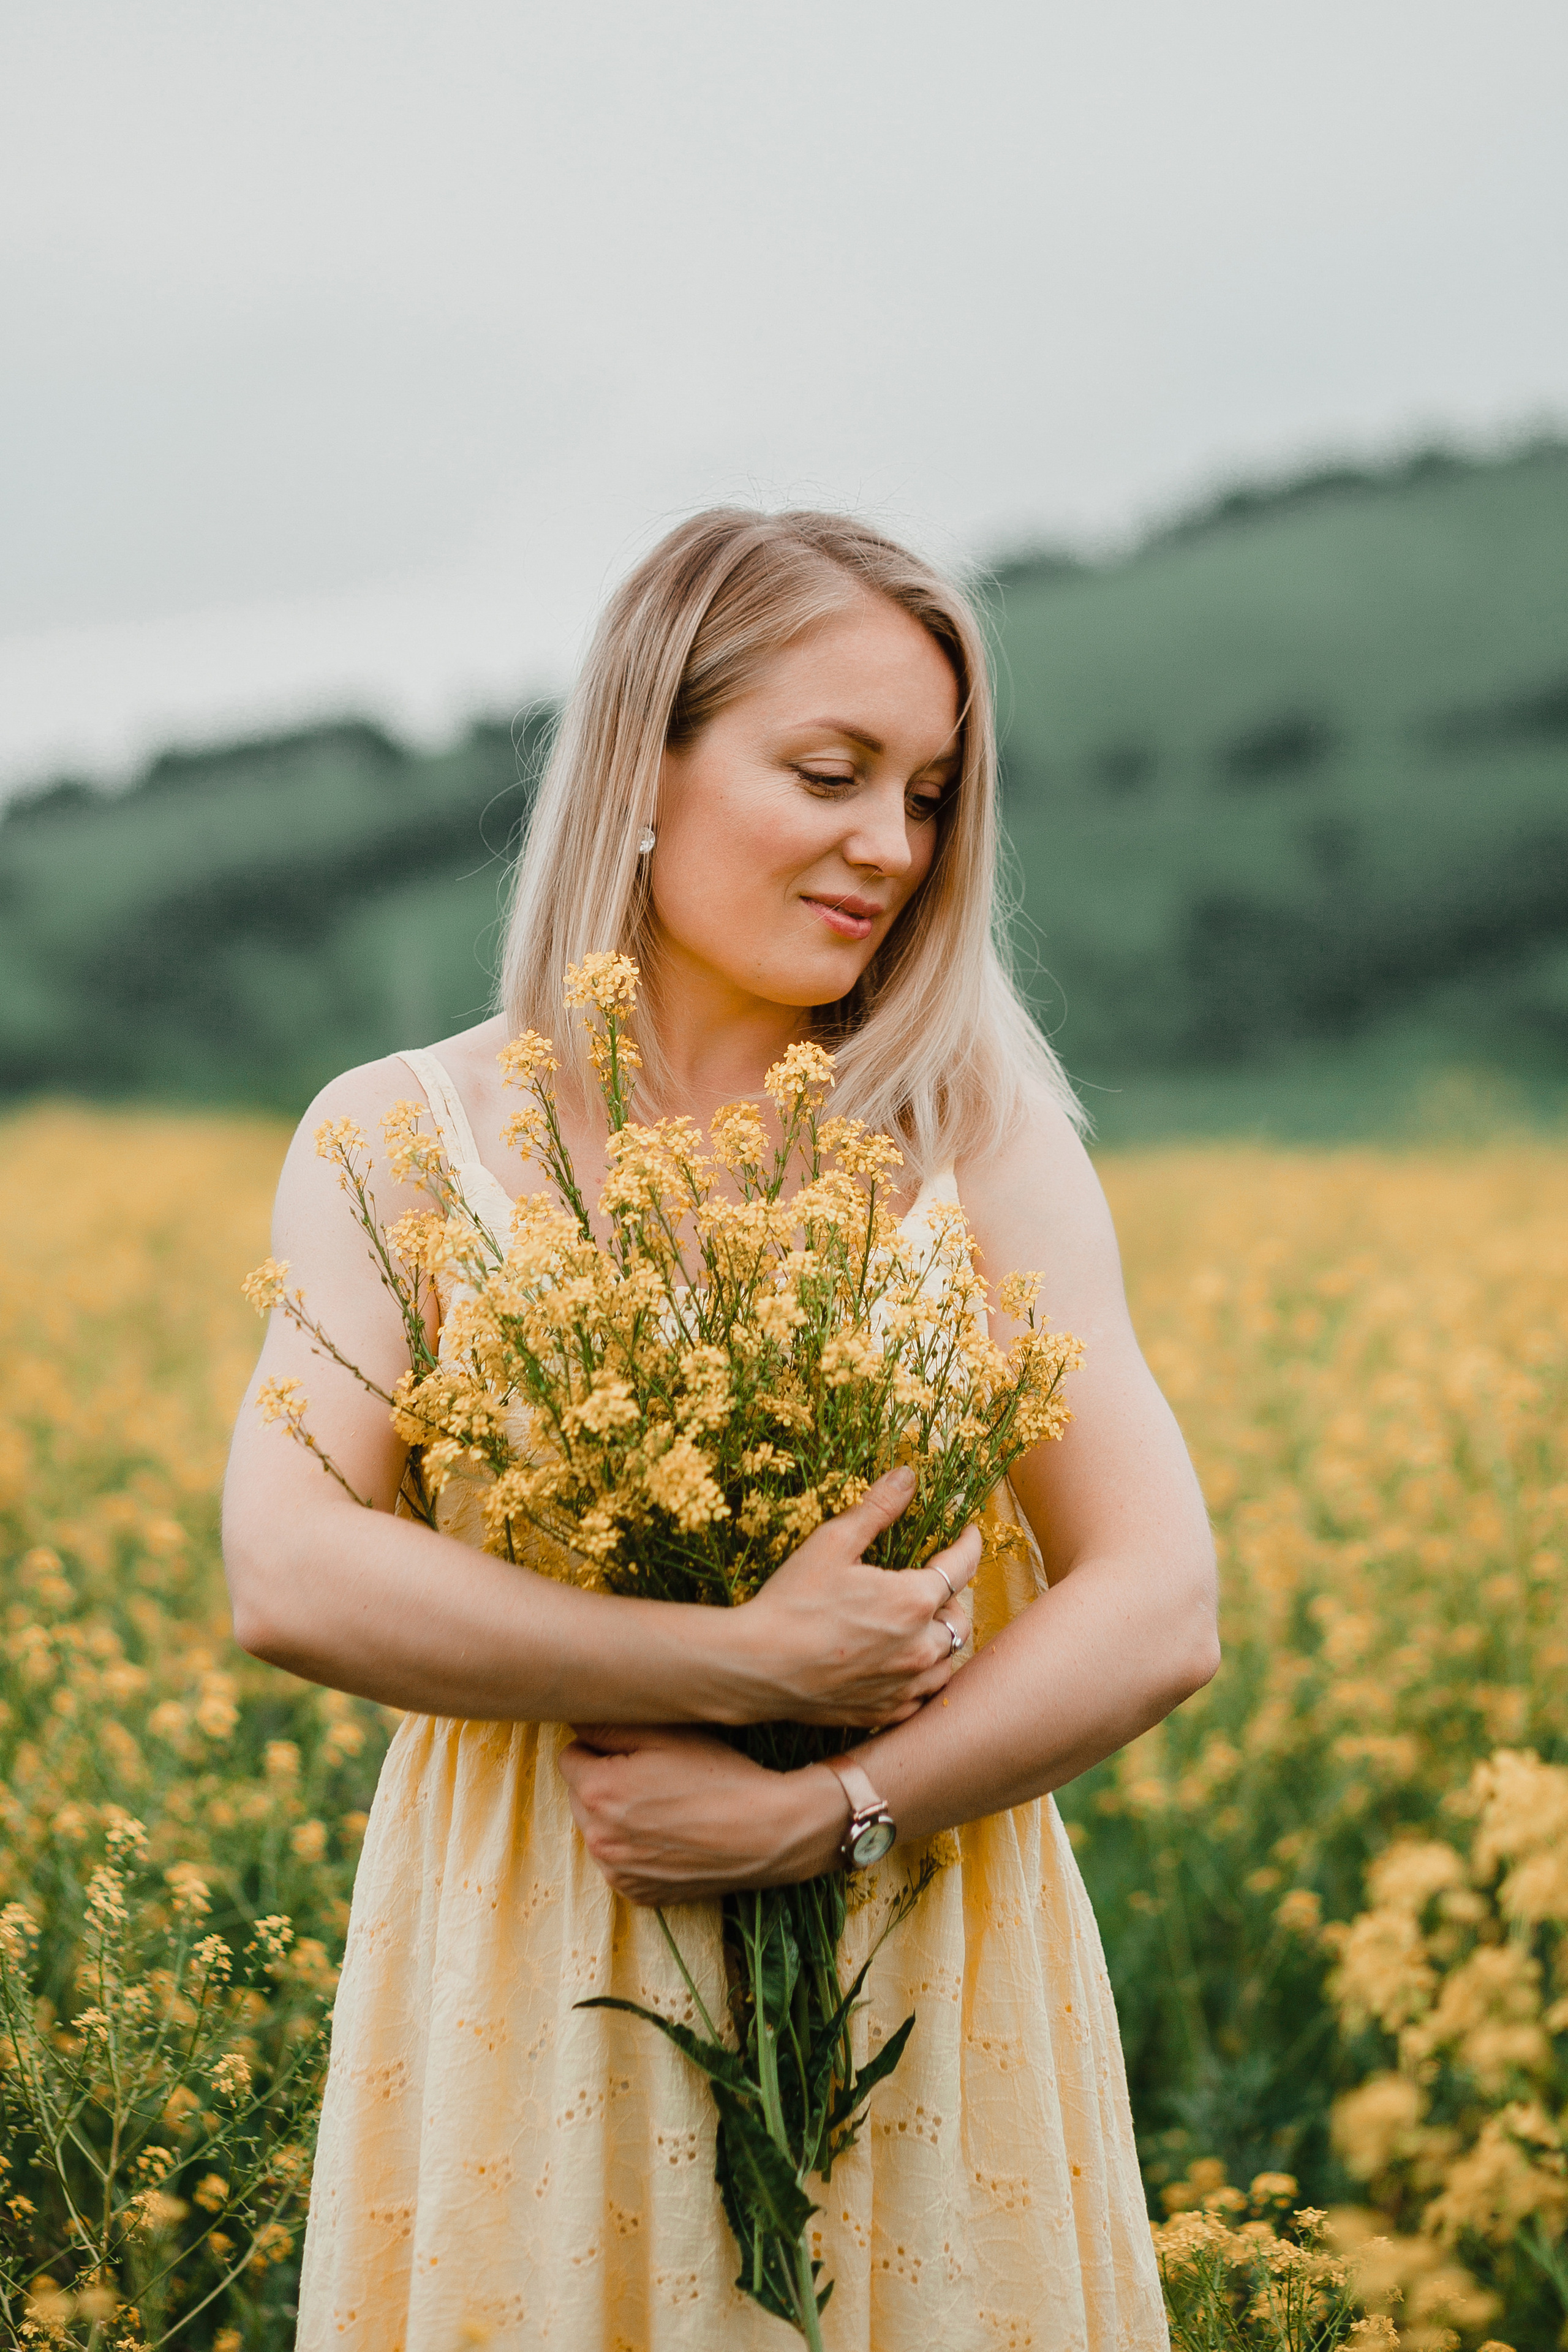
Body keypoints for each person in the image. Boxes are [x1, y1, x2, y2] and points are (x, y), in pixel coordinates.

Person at [224, 507, 1218, 2350]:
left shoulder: (975, 1141)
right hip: (548, 1947)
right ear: (643, 772)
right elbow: (287, 1567)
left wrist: (827, 1816)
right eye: (829, 772)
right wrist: (739, 1658)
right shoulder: (397, 1139)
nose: (890, 849)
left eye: (928, 794)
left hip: (920, 1940)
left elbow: (1162, 1600)